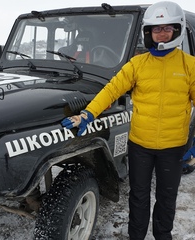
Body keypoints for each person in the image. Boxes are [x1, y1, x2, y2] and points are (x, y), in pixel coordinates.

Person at [61, 1, 195, 239]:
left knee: (166, 198)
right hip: (140, 146)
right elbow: (112, 90)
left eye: (167, 28)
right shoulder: (137, 64)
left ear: (177, 30)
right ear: (149, 33)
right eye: (157, 28)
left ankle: (163, 235)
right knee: (139, 196)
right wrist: (88, 113)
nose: (162, 33)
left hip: (172, 148)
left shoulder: (189, 65)